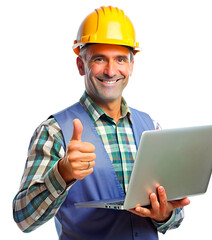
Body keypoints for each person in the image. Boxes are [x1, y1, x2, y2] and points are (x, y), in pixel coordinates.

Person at [13, 6, 190, 240]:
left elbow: (175, 216)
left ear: (131, 66)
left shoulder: (151, 127)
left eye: (120, 59)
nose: (110, 71)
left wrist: (164, 213)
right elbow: (24, 219)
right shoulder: (54, 132)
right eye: (99, 59)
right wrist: (63, 172)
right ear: (81, 65)